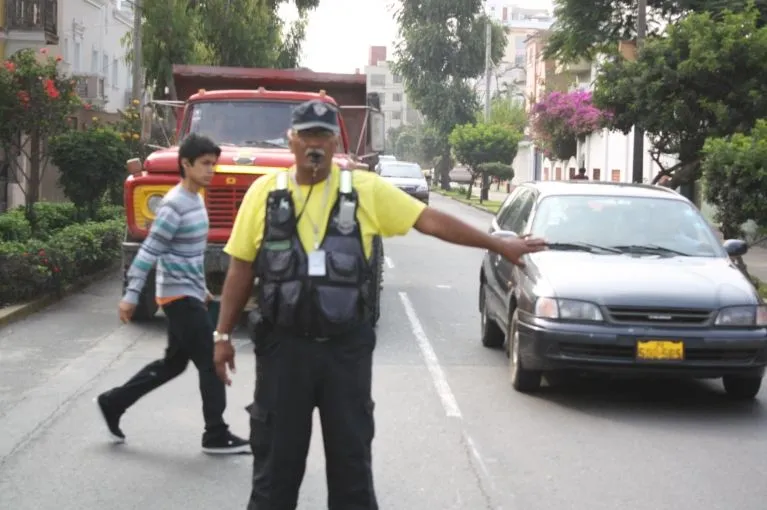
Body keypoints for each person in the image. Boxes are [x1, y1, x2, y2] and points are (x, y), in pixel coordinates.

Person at [212, 99, 547, 509]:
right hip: (285, 351)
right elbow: (240, 268)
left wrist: (497, 243)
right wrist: (223, 333)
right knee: (274, 480)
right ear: (291, 140)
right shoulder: (265, 194)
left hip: (344, 352)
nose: (314, 144)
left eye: (323, 135)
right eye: (306, 136)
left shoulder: (364, 191)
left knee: (352, 475)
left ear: (336, 142)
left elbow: (430, 220)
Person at [96, 133, 249, 455]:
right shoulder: (174, 204)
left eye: (213, 164)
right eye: (205, 164)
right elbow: (151, 250)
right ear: (186, 164)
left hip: (188, 294)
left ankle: (113, 402)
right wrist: (132, 294)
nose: (211, 170)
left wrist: (203, 290)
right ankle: (216, 434)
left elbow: (188, 255)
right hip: (176, 298)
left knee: (173, 364)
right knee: (211, 361)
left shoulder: (197, 200)